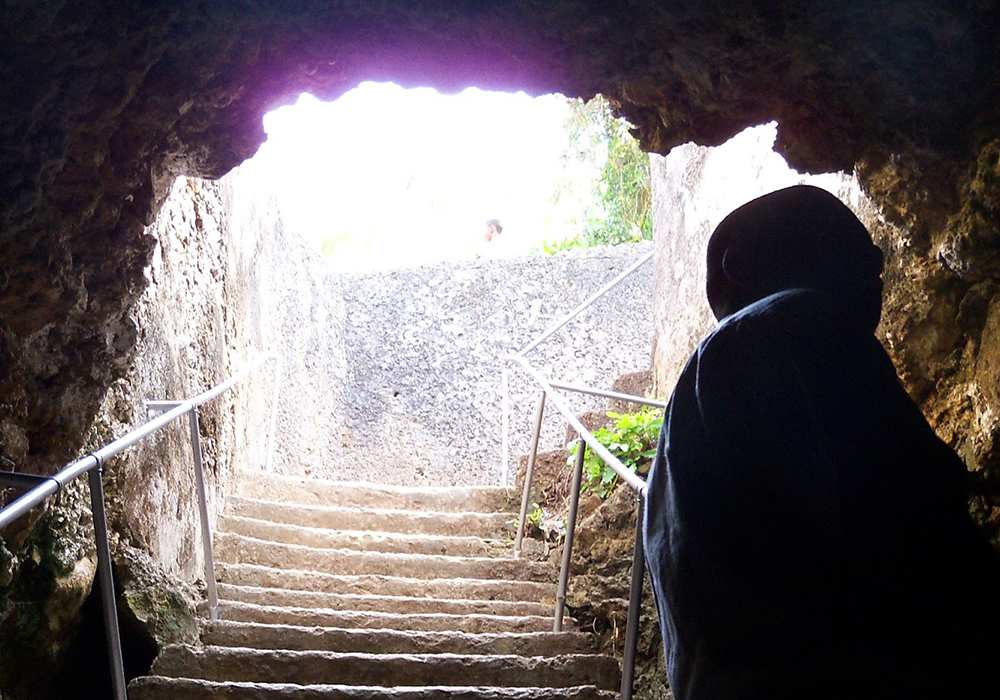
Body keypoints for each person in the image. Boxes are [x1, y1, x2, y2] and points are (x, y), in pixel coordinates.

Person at [642, 185, 1000, 699]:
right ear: (740, 265)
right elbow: (904, 509)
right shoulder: (786, 321)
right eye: (844, 240)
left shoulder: (681, 437)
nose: (875, 261)